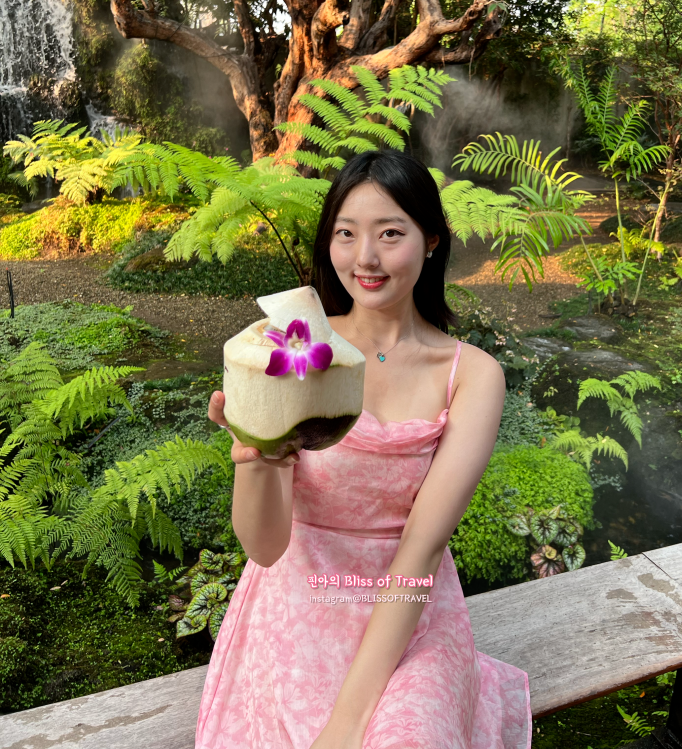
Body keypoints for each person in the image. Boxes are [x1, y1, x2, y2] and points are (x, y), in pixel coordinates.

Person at [195, 150, 531, 749]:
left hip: (411, 614)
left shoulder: (472, 375)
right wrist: (258, 455)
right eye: (346, 234)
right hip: (298, 600)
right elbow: (265, 548)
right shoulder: (295, 350)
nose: (365, 258)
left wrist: (347, 725)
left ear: (431, 240)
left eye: (390, 234)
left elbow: (422, 548)